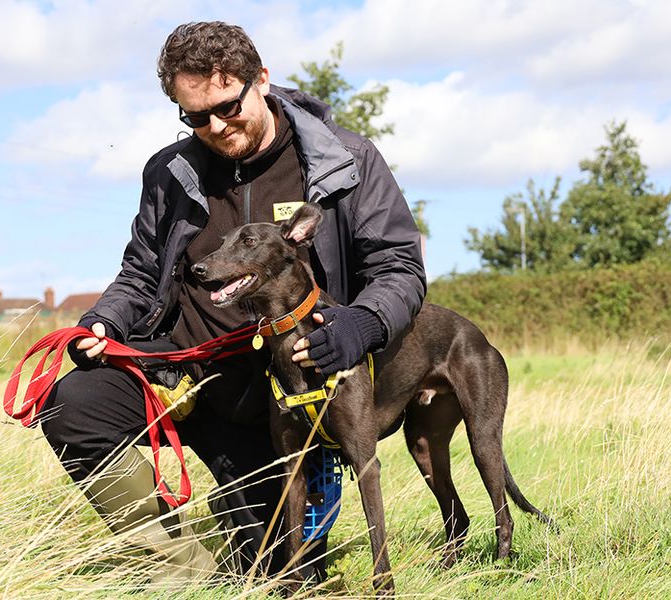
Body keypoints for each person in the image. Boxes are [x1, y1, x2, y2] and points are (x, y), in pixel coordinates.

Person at [39, 20, 426, 583]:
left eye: (227, 106)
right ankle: (182, 574)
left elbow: (399, 268)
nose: (216, 127)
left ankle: (244, 530)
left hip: (282, 392)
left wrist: (363, 324)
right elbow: (141, 273)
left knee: (278, 574)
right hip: (183, 373)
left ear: (260, 80)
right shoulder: (168, 173)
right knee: (71, 402)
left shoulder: (347, 160)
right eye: (196, 117)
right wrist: (105, 321)